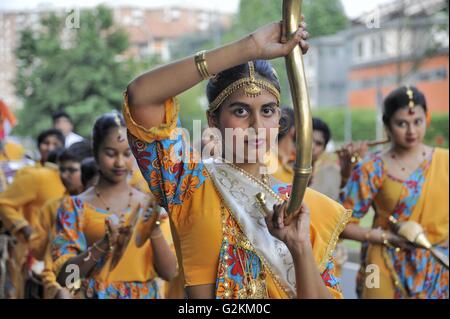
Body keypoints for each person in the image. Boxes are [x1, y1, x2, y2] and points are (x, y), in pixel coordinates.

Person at [124, 20, 350, 299]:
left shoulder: (302, 207)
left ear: (280, 120)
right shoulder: (188, 185)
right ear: (213, 120)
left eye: (267, 111)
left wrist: (300, 247)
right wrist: (249, 48)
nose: (256, 125)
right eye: (241, 111)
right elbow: (140, 97)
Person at [52, 112, 177, 299]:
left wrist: (154, 230)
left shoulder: (148, 205)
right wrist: (103, 245)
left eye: (127, 154)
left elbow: (169, 273)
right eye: (110, 153)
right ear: (95, 152)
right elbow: (66, 278)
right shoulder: (74, 207)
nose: (119, 162)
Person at [340, 86, 449, 299]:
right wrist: (387, 237)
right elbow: (340, 224)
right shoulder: (372, 167)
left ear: (427, 119)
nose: (411, 131)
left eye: (417, 122)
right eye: (402, 124)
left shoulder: (445, 162)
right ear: (387, 125)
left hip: (437, 265)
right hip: (383, 263)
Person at [0, 148, 66, 298]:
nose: (49, 146)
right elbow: (4, 202)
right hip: (34, 251)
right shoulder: (36, 176)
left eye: (55, 144)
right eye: (46, 143)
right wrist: (24, 228)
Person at [34, 143, 92, 299]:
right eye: (62, 169)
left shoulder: (103, 205)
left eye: (72, 170)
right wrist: (61, 290)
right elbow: (49, 260)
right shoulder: (58, 207)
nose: (64, 175)